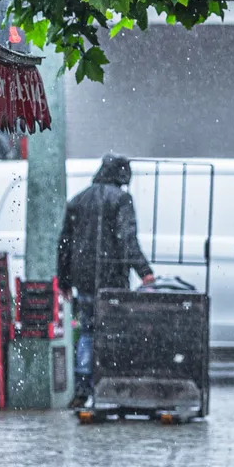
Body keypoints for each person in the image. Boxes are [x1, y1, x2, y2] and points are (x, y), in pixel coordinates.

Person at [57, 152, 154, 409]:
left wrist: (64, 281)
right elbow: (126, 238)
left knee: (88, 331)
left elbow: (64, 244)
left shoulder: (78, 200)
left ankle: (83, 387)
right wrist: (144, 271)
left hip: (84, 279)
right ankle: (113, 385)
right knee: (115, 331)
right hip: (112, 277)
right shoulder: (121, 199)